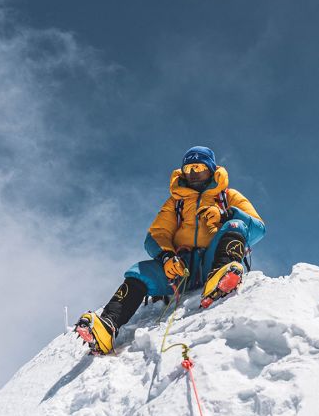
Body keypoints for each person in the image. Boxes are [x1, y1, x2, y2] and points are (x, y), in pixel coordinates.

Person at [75, 146, 266, 354]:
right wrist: (167, 256)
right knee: (139, 272)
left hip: (214, 259)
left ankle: (221, 276)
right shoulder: (176, 202)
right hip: (180, 269)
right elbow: (156, 235)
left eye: (199, 168)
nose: (194, 174)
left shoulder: (228, 196)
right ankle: (107, 325)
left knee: (236, 226)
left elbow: (257, 228)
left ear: (211, 170)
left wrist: (225, 214)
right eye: (189, 170)